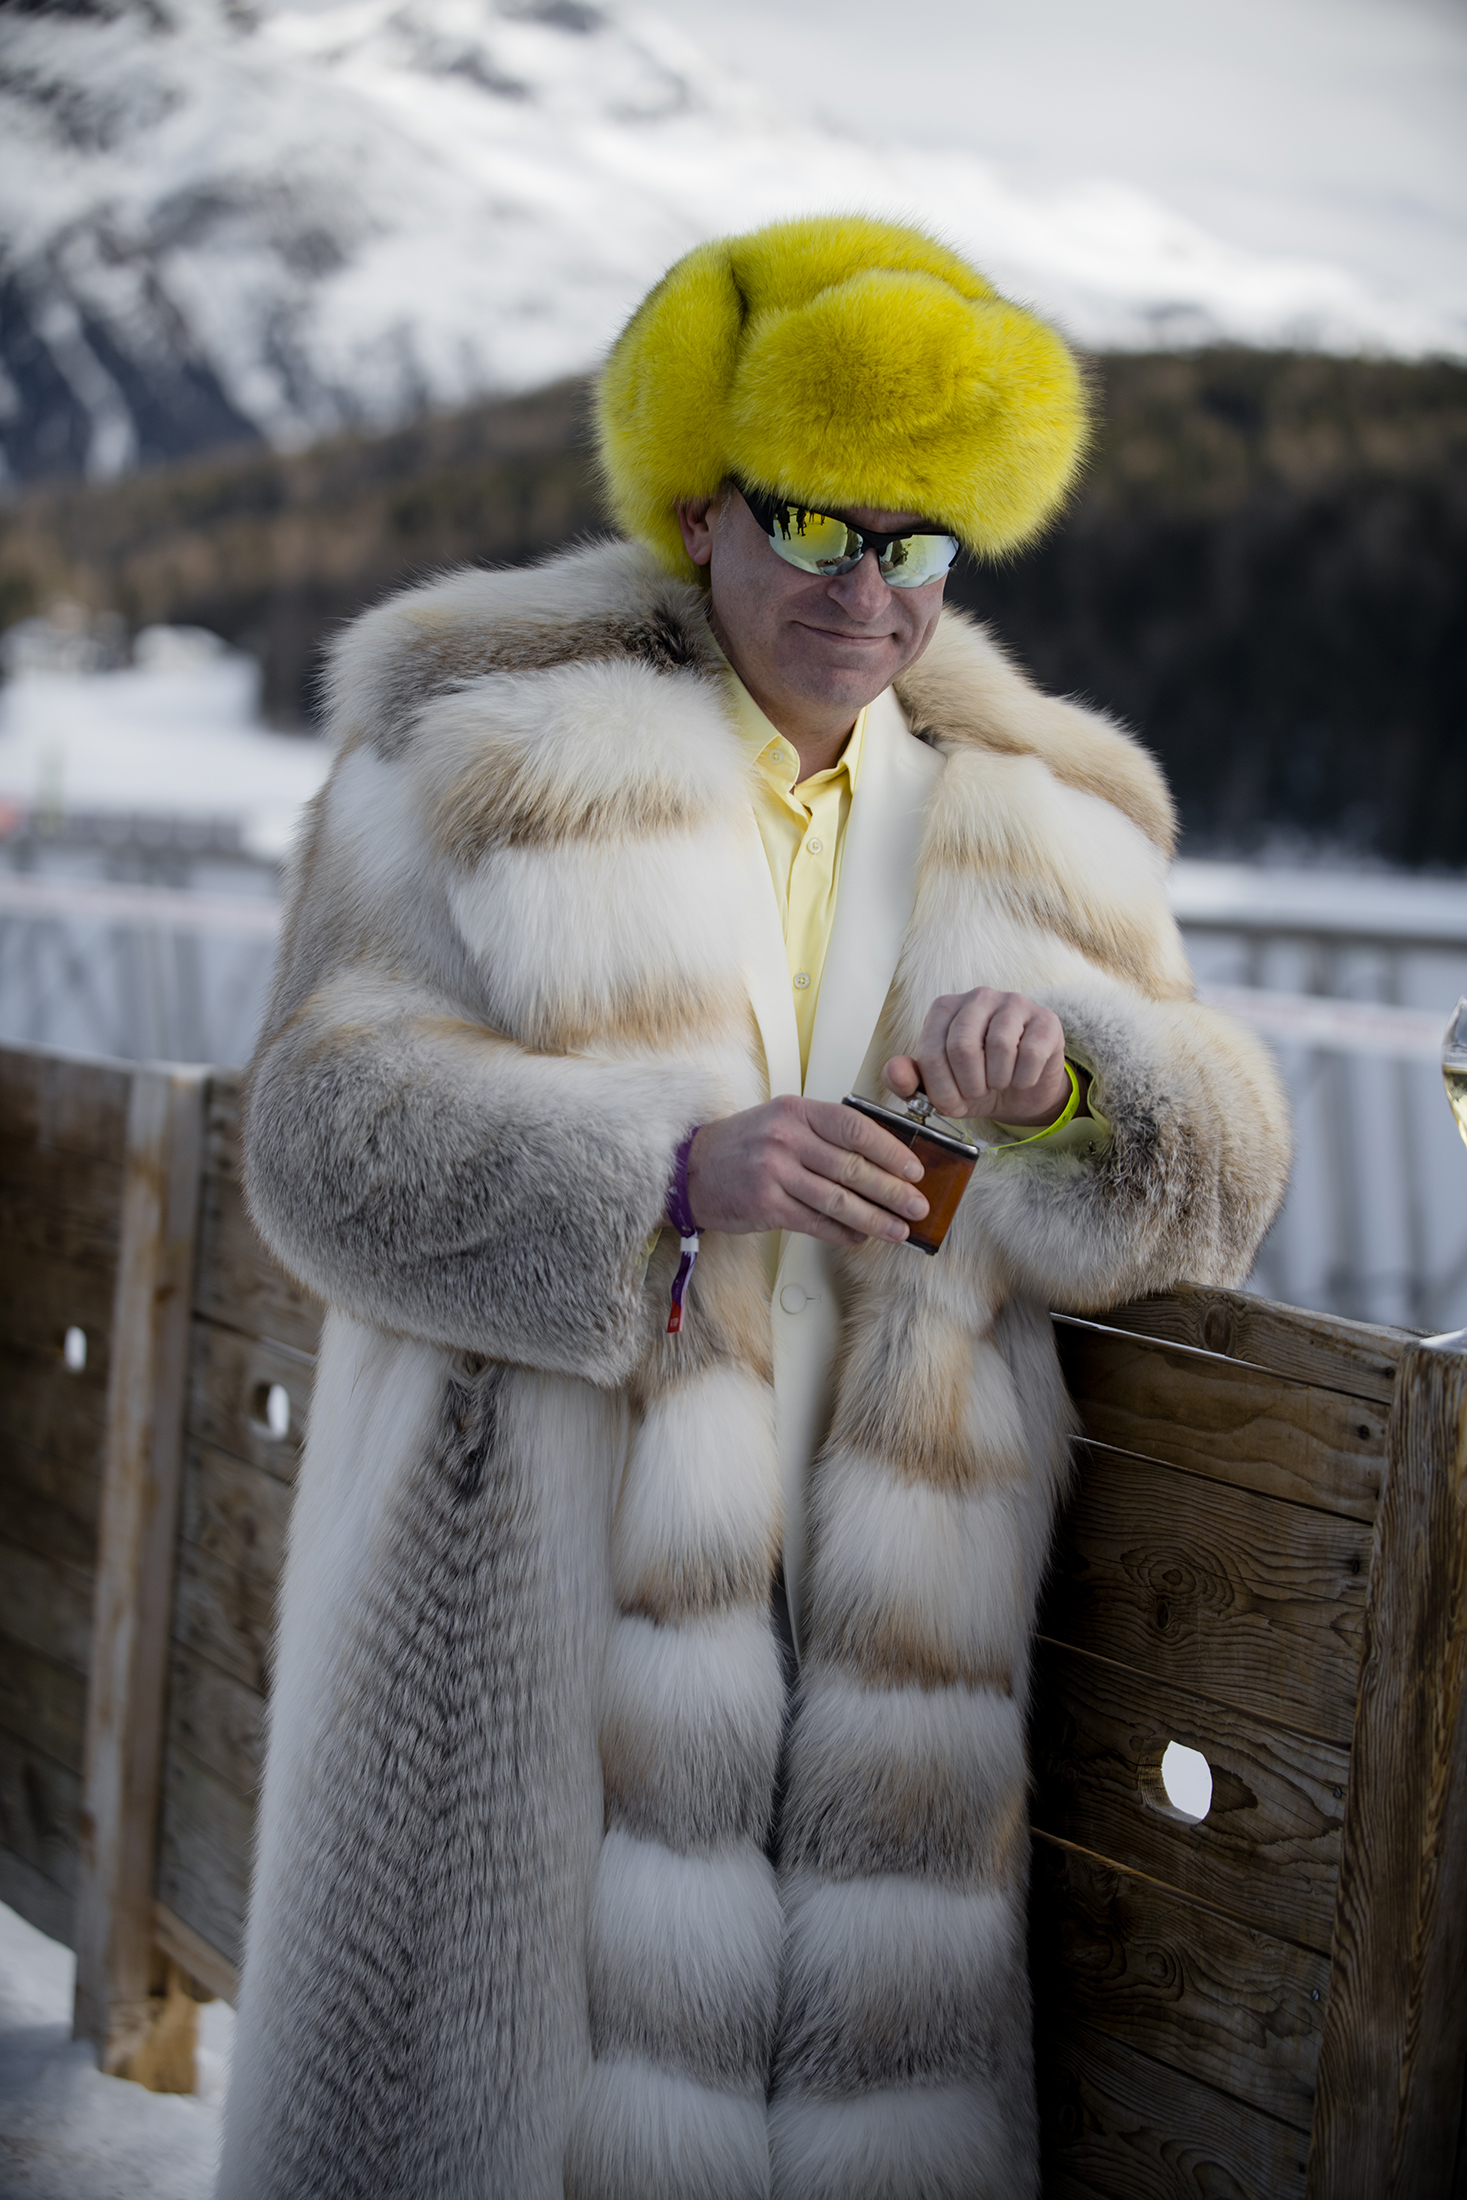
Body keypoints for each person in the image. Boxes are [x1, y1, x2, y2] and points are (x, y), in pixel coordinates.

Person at [219, 215, 1289, 2199]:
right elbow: (314, 1134)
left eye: (920, 539)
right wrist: (650, 1176)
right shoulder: (474, 746)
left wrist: (1065, 1086)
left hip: (878, 1640)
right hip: (527, 1614)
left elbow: (1215, 1176)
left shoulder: (1048, 815)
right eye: (815, 525)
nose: (869, 595)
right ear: (700, 507)